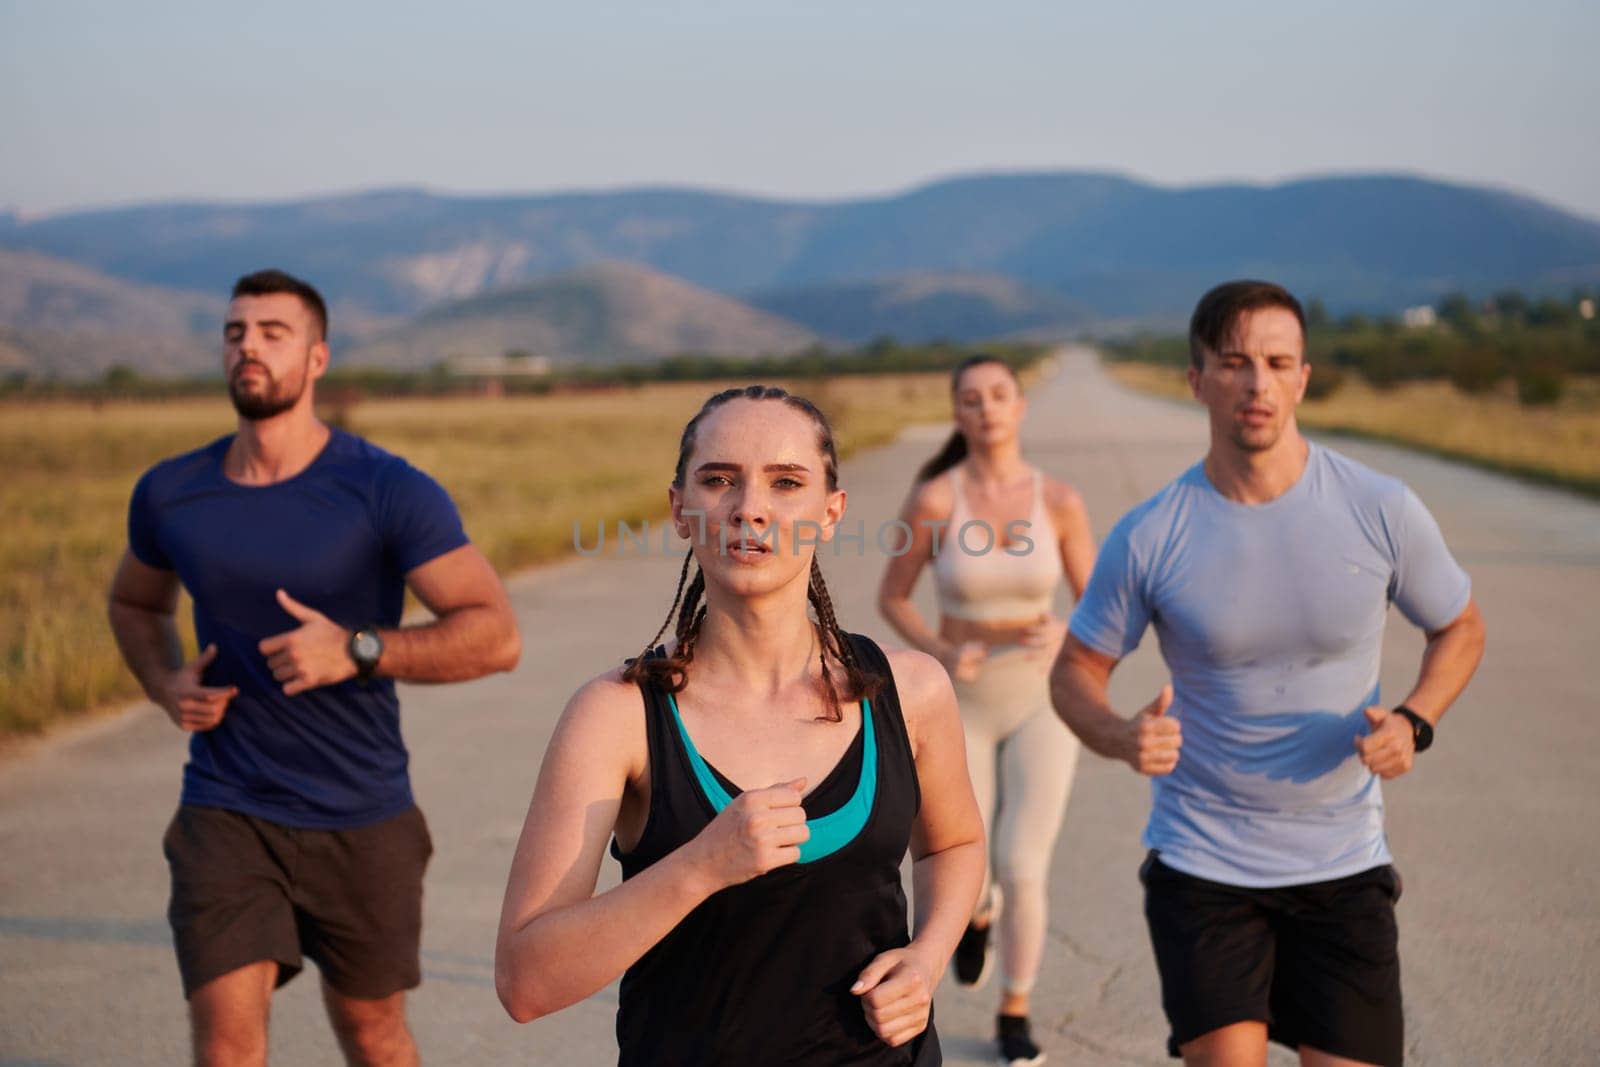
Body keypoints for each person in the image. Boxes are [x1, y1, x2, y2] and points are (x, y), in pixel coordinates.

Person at [1051, 280, 1486, 1067]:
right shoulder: (1152, 532)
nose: (1257, 383)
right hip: (1203, 865)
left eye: (1277, 362)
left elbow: (1460, 625)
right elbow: (1074, 669)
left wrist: (1417, 718)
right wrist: (1120, 734)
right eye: (1235, 362)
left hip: (1344, 864)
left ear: (1303, 378)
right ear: (1197, 380)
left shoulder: (1378, 506)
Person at [495, 385, 985, 1065]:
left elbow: (952, 845)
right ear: (680, 511)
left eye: (786, 483)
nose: (750, 508)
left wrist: (928, 959)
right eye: (719, 479)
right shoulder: (618, 714)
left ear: (830, 511)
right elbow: (526, 980)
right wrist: (700, 866)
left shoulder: (910, 690)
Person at [107, 269, 521, 1067]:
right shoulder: (172, 492)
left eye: (272, 332)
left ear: (318, 358)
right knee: (226, 1047)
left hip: (360, 813)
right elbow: (134, 603)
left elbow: (496, 633)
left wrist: (358, 647)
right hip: (227, 806)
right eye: (235, 332)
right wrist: (165, 683)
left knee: (373, 1035)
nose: (248, 347)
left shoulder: (384, 488)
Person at [877, 354, 1095, 1066]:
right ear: (958, 413)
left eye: (1000, 395)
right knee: (961, 865)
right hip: (960, 703)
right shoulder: (936, 499)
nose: (987, 409)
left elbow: (1098, 602)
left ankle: (1014, 1008)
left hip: (1041, 700)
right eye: (971, 399)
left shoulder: (1059, 499)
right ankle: (975, 915)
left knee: (1020, 861)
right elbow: (893, 597)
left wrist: (1066, 627)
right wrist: (941, 645)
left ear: (1020, 406)